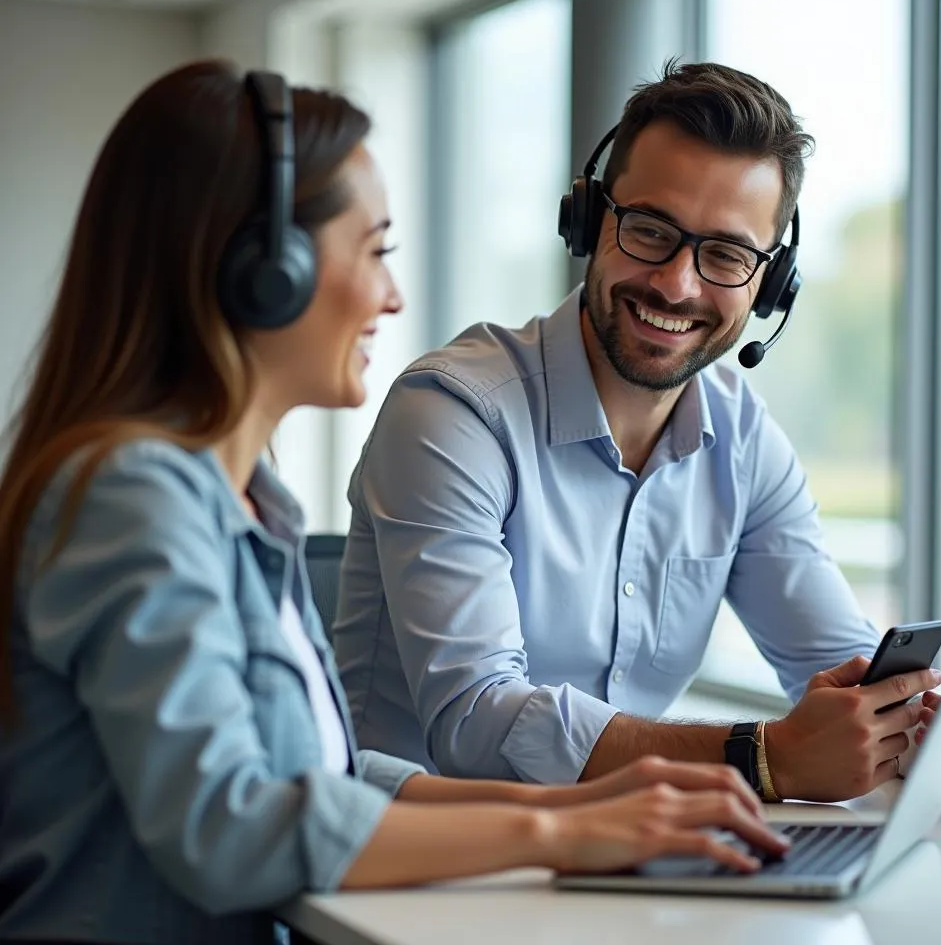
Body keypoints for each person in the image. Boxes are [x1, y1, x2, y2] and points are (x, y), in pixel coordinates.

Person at [0, 61, 791, 945]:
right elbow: (225, 827)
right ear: (267, 273)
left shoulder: (247, 501)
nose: (392, 295)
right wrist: (561, 830)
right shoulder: (132, 499)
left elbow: (322, 779)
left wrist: (609, 803)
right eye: (373, 251)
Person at [335, 59, 941, 803]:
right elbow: (474, 720)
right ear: (591, 219)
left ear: (771, 281)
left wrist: (918, 730)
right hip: (405, 874)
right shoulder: (452, 413)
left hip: (620, 858)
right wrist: (760, 758)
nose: (677, 284)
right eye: (650, 230)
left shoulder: (743, 439)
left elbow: (837, 657)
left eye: (726, 254)